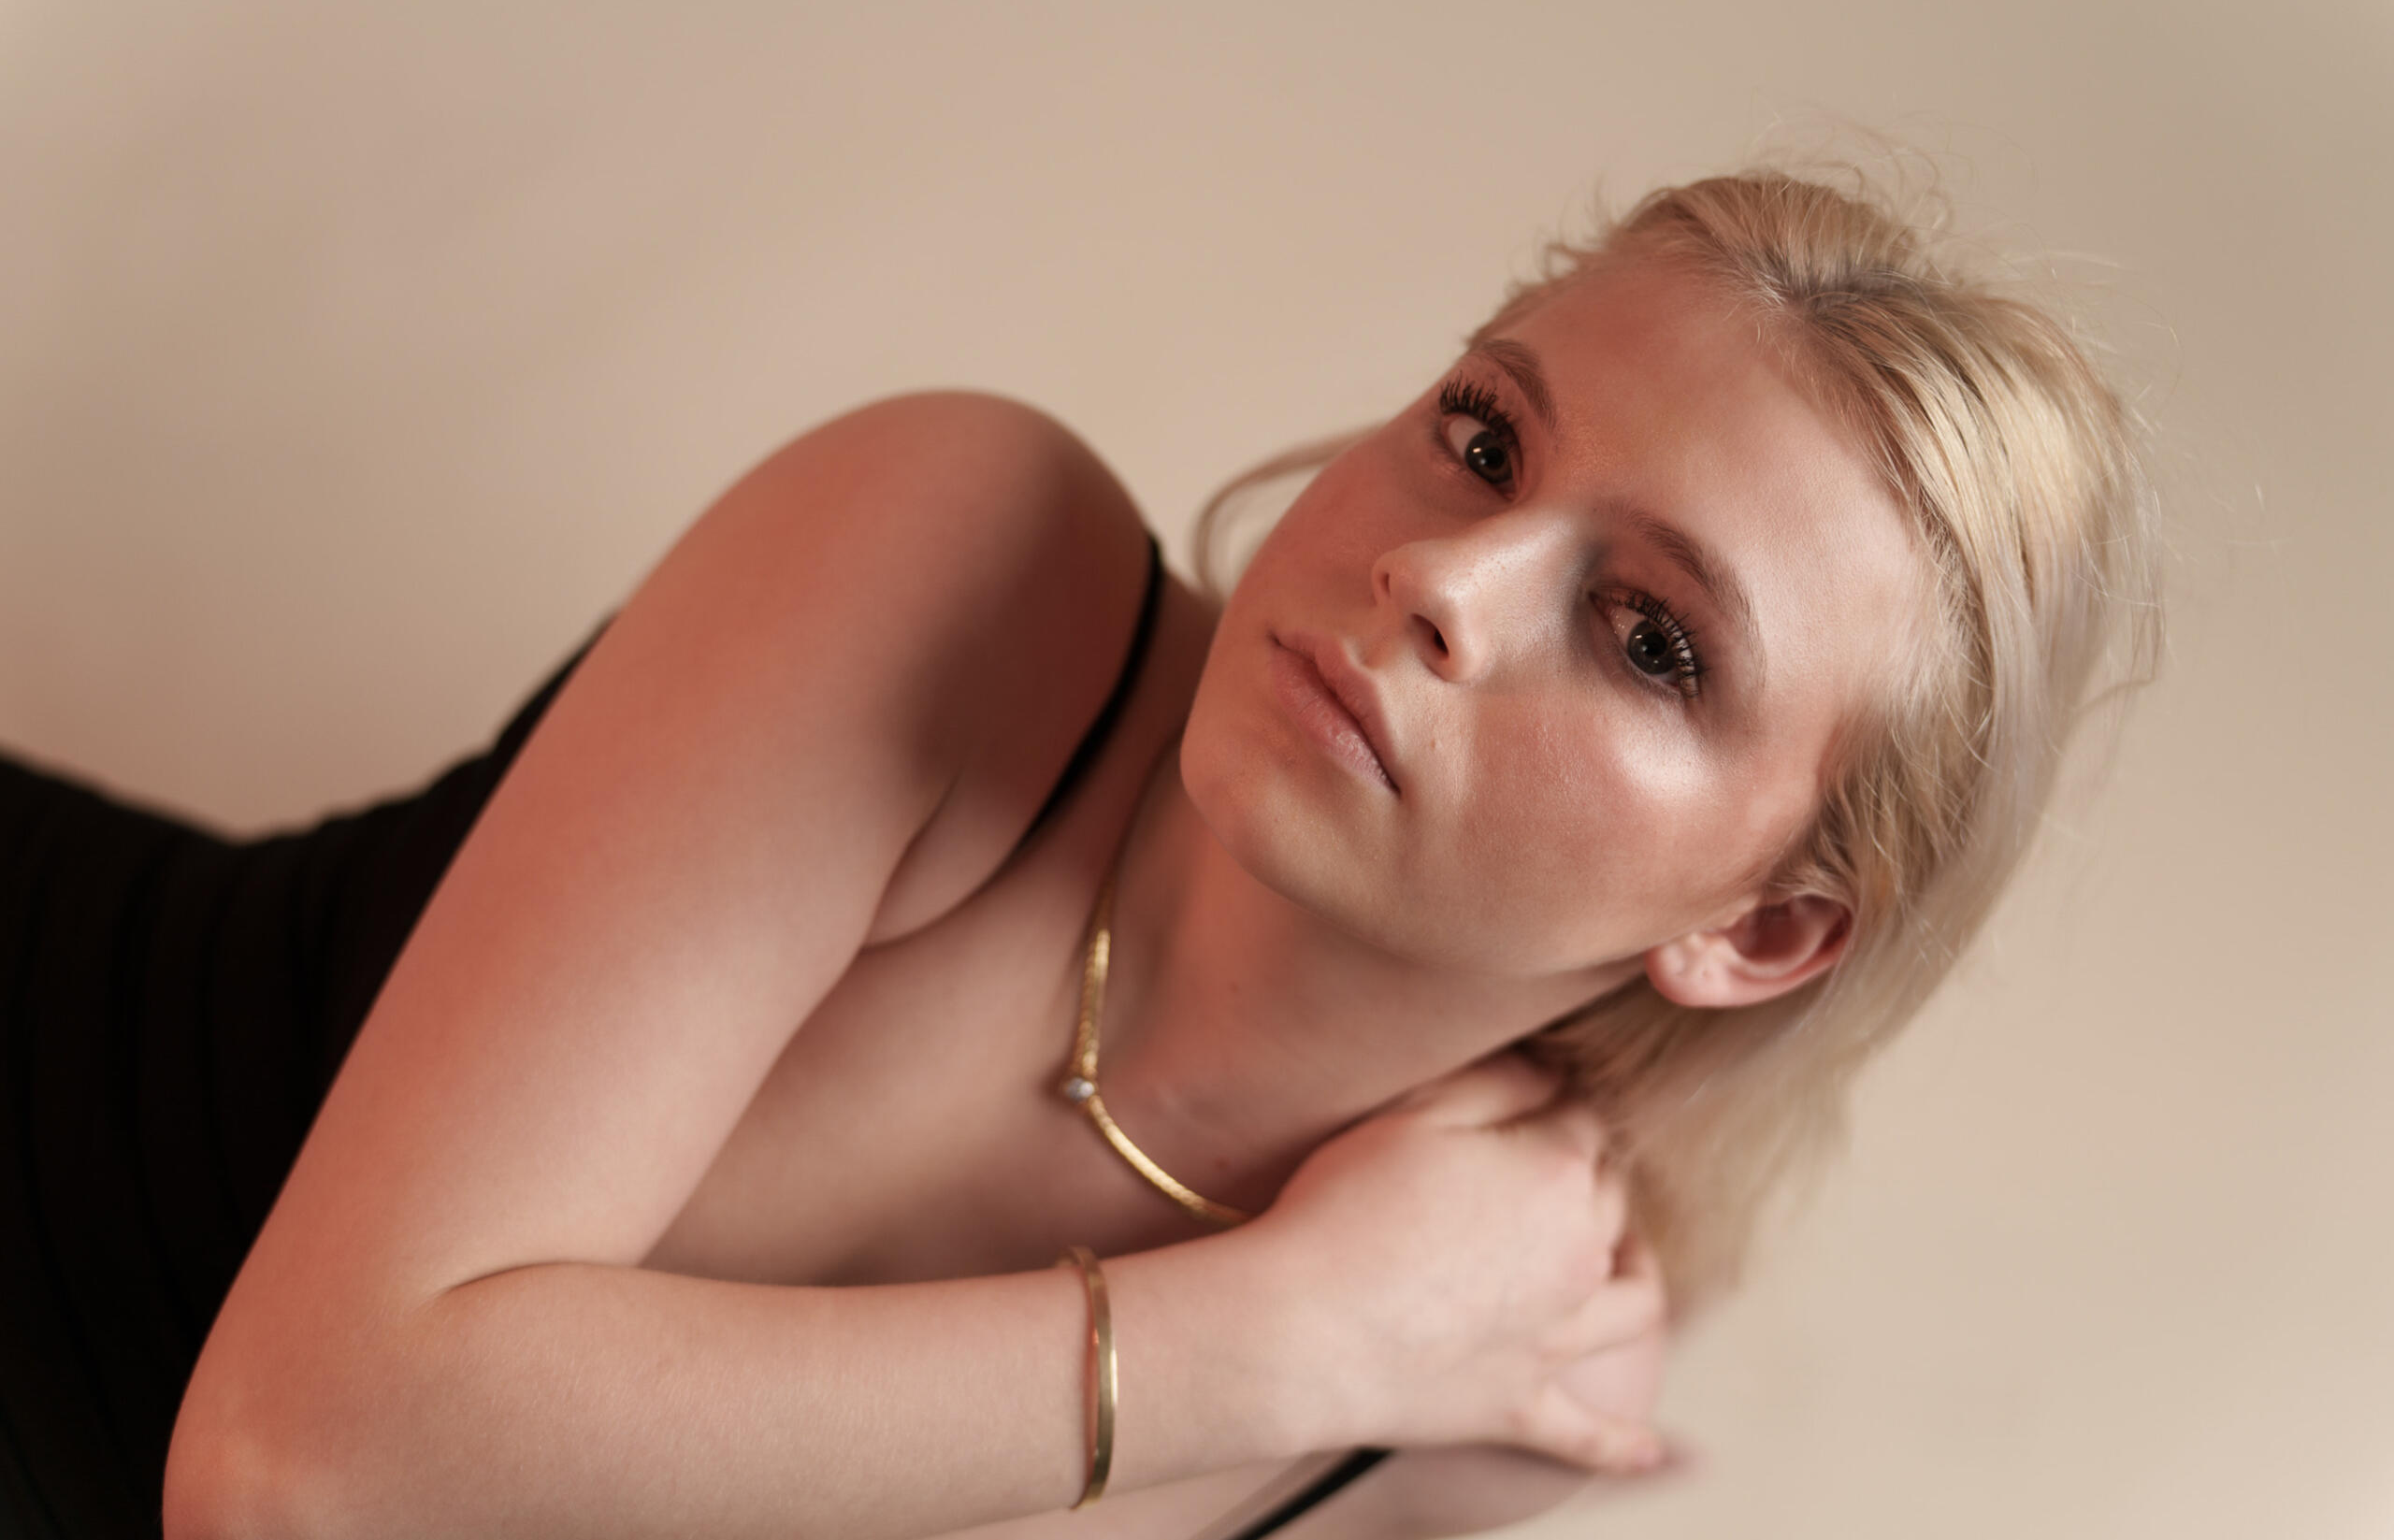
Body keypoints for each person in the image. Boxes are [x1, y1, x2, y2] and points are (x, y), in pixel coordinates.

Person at [0, 164, 2157, 1540]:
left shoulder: (1479, 1397)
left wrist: (1367, 1381)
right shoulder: (970, 566)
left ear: (1761, 929)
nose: (1438, 576)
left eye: (1651, 636)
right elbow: (296, 1464)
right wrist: (1277, 1339)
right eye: (1483, 434)